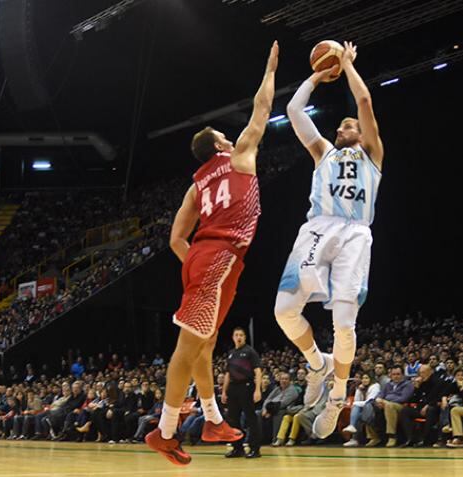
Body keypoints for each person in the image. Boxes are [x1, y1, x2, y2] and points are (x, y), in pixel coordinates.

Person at [145, 41, 279, 466]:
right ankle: (165, 431)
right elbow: (262, 108)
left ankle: (211, 418)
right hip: (219, 257)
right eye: (224, 134)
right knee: (188, 349)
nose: (228, 135)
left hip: (210, 260)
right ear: (221, 145)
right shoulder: (240, 156)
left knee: (206, 345)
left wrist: (196, 266)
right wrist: (271, 68)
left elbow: (175, 238)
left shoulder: (196, 184)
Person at [274, 41, 385, 439]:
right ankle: (317, 365)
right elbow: (292, 111)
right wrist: (317, 76)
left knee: (343, 321)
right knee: (284, 310)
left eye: (347, 125)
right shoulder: (322, 152)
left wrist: (349, 64)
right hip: (317, 227)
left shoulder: (372, 154)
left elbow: (366, 102)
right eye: (339, 126)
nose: (341, 128)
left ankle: (338, 396)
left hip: (355, 233)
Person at [221, 327, 262, 458]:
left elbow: (258, 371)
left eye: (241, 335)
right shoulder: (231, 353)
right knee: (233, 419)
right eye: (236, 335)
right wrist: (224, 391)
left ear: (245, 337)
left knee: (251, 419)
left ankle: (255, 449)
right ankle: (237, 448)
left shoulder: (250, 352)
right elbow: (227, 374)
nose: (238, 337)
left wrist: (257, 390)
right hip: (233, 388)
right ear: (233, 337)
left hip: (247, 386)